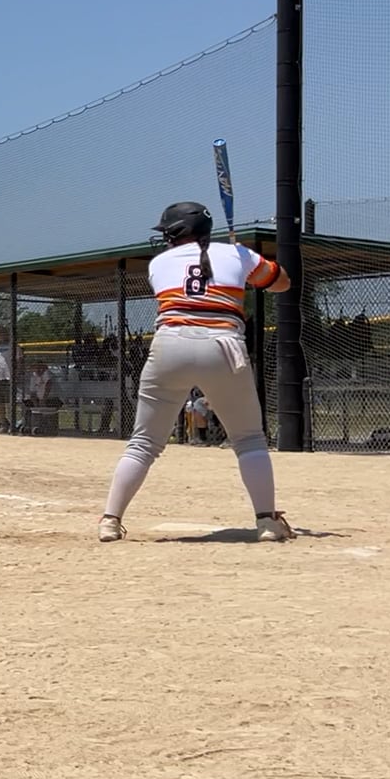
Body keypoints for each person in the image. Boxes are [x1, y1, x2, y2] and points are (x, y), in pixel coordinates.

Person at [98, 201, 295, 543]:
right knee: (249, 439)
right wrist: (246, 262)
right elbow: (282, 283)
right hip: (223, 346)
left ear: (177, 232)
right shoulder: (237, 254)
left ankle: (110, 521)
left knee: (144, 442)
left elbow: (195, 282)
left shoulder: (159, 263)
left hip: (170, 345)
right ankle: (266, 521)